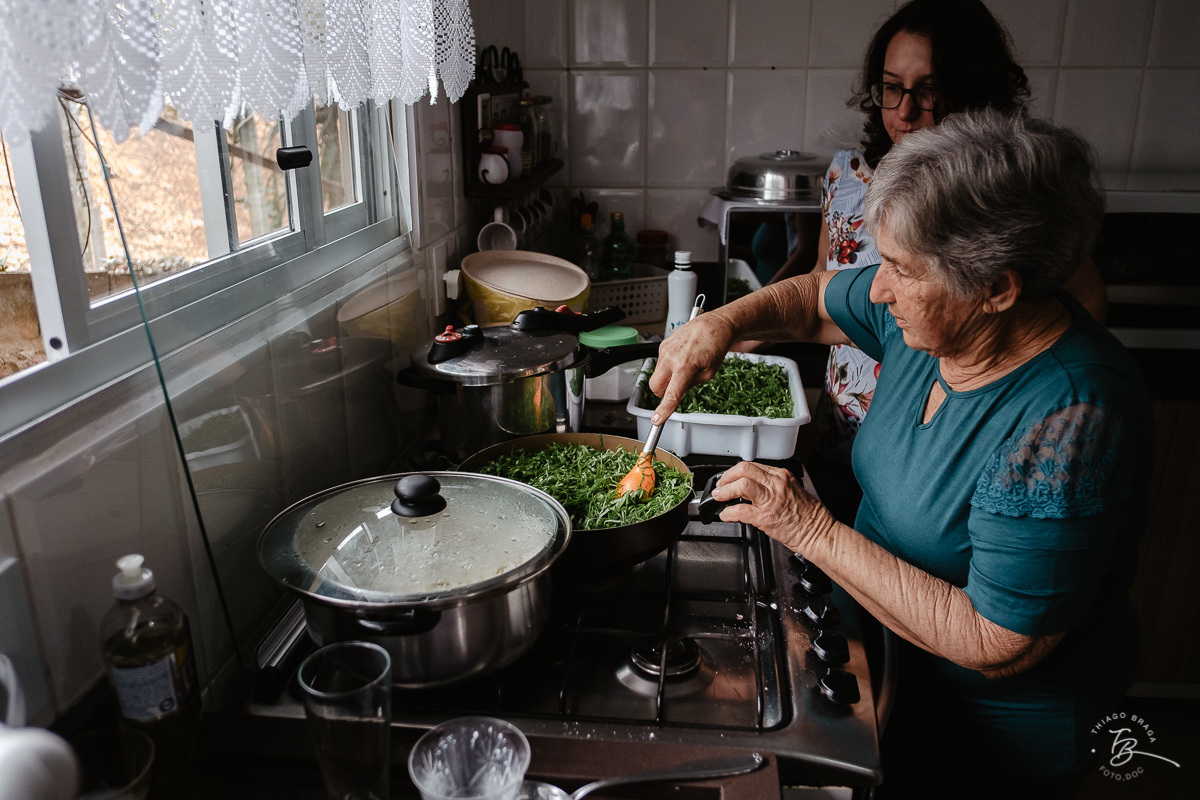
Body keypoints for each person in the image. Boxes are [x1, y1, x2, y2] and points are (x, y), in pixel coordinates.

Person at [649, 110, 1153, 798]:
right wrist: (722, 322)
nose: (879, 288)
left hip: (991, 744)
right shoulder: (934, 320)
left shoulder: (1068, 421)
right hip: (892, 669)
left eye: (901, 270)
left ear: (997, 289)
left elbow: (996, 642)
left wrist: (809, 527)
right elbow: (816, 299)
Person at [762, 0, 1109, 526]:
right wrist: (741, 330)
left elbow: (1082, 303)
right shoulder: (847, 175)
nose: (904, 111)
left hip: (939, 461)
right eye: (891, 88)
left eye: (928, 90)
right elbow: (821, 280)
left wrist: (1025, 401)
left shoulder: (1005, 202)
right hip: (844, 434)